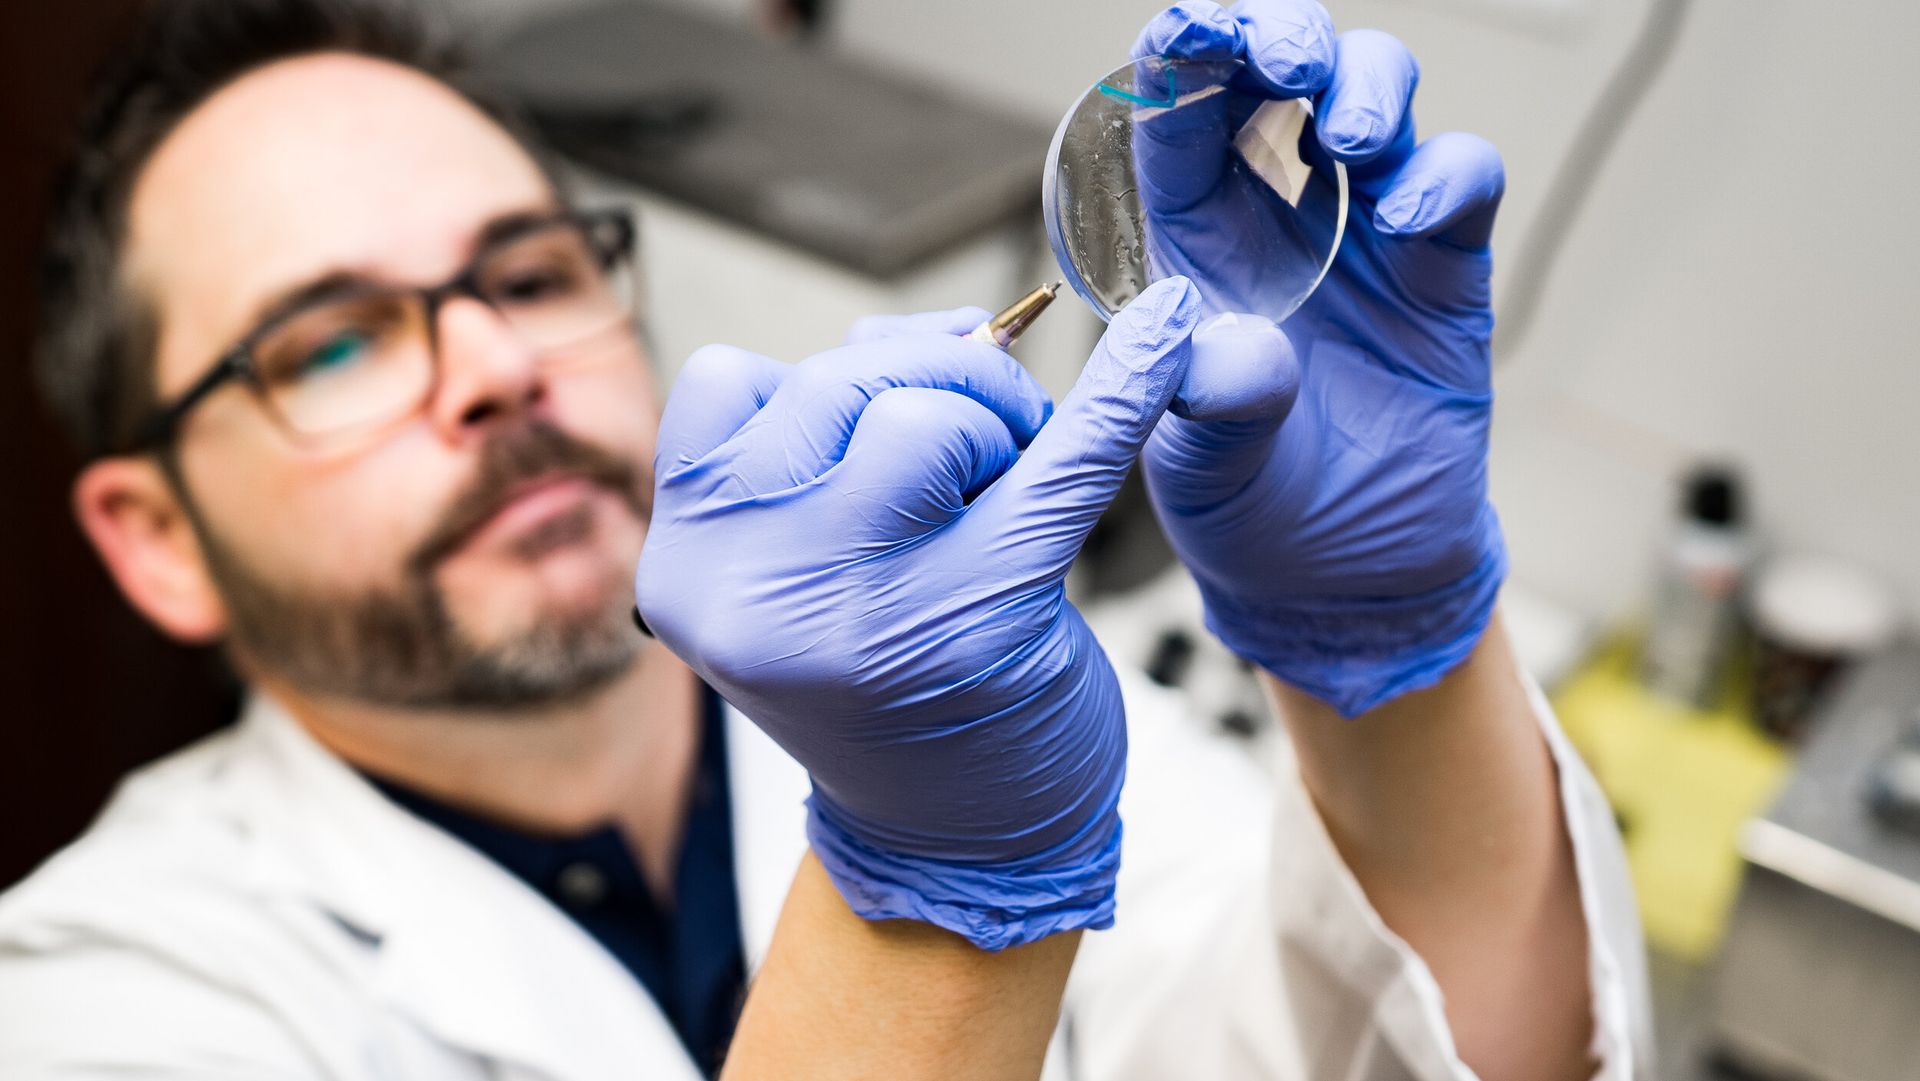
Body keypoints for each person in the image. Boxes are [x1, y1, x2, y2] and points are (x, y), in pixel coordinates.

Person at [0, 1, 1651, 1079]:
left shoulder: (1026, 718)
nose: (496, 365)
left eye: (526, 272)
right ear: (155, 538)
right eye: (333, 342)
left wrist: (1390, 661)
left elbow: (1444, 1053)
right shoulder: (109, 997)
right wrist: (933, 888)